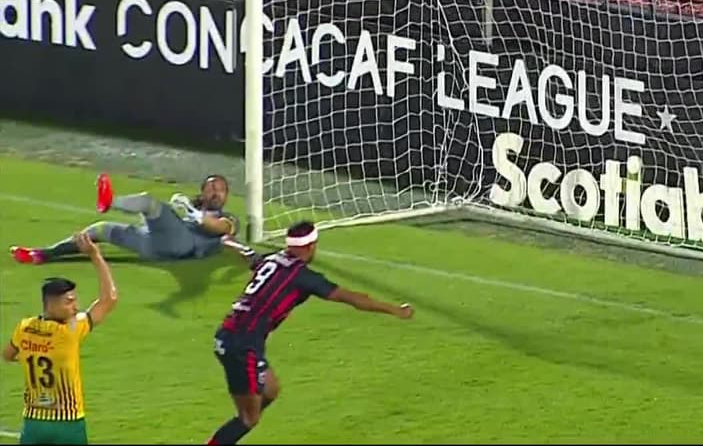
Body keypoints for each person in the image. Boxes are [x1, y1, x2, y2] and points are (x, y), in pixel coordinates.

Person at [206, 221, 413, 445]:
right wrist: (395, 310)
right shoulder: (302, 276)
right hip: (242, 346)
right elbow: (352, 298)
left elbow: (249, 255)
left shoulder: (272, 260)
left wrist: (229, 242)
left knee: (271, 389)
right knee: (248, 419)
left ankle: (244, 411)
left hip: (230, 336)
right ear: (311, 246)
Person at [2, 233, 119, 445]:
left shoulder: (24, 328)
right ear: (51, 304)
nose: (75, 307)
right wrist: (95, 255)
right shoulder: (69, 331)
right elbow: (109, 298)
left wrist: (34, 353)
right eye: (69, 302)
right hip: (68, 422)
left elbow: (8, 355)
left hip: (34, 422)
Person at [10, 173, 239, 265]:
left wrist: (192, 212)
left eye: (221, 190)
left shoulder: (228, 218)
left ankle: (110, 201)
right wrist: (183, 209)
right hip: (153, 246)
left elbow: (219, 227)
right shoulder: (187, 206)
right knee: (101, 229)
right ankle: (43, 254)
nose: (217, 194)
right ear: (202, 192)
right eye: (212, 189)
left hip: (183, 246)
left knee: (149, 202)